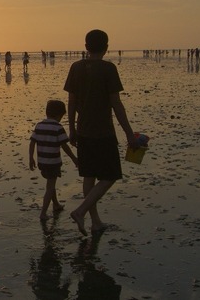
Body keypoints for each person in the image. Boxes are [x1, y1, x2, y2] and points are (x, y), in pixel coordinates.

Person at [64, 29, 138, 236]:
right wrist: (129, 134)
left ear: (86, 46)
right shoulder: (108, 69)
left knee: (89, 176)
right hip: (103, 132)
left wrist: (71, 129)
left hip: (83, 131)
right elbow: (116, 103)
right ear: (106, 47)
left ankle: (95, 222)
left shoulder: (76, 67)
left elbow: (71, 102)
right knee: (110, 175)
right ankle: (81, 211)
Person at [29, 100, 78, 221]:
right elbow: (64, 146)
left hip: (42, 162)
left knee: (51, 183)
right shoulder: (58, 127)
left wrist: (31, 158)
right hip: (53, 162)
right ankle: (43, 213)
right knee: (50, 186)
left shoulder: (39, 125)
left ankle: (55, 204)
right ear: (60, 115)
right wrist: (74, 158)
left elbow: (32, 142)